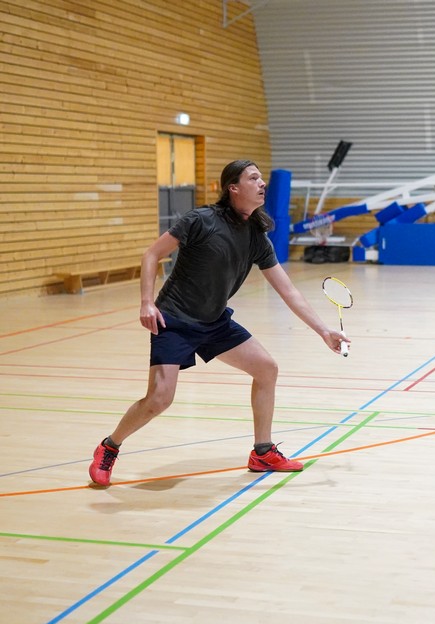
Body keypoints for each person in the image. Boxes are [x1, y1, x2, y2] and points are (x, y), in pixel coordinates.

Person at [88, 160, 349, 486]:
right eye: (253, 178)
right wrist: (146, 302)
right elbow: (151, 255)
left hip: (214, 322)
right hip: (175, 320)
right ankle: (109, 446)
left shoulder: (257, 238)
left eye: (262, 178)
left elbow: (288, 291)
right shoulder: (200, 220)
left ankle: (262, 452)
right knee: (159, 399)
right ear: (233, 188)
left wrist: (323, 330)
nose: (262, 183)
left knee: (266, 369)